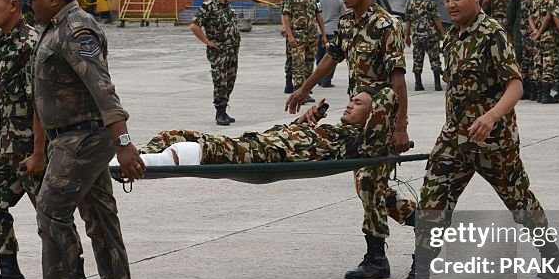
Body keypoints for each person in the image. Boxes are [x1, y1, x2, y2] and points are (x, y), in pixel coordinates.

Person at [379, 0, 559, 279]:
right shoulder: (453, 36)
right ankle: (419, 276)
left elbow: (515, 85)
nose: (450, 5)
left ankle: (553, 258)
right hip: (454, 140)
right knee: (432, 204)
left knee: (520, 203)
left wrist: (493, 116)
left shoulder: (493, 34)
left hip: (494, 143)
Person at [5, 0, 144, 279]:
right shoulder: (53, 27)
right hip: (71, 137)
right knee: (100, 220)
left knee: (51, 211)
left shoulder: (76, 29)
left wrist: (125, 143)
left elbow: (103, 88)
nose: (28, 4)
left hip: (82, 137)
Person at [285, 0, 411, 279]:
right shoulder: (347, 22)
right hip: (358, 116)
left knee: (368, 183)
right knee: (368, 185)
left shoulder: (386, 25)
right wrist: (304, 88)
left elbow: (398, 81)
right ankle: (425, 221)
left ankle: (376, 256)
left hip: (381, 117)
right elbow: (332, 56)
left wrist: (400, 127)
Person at [0, 0, 96, 279]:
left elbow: (40, 103)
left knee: (51, 216)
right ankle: (10, 274)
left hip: (33, 146)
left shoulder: (30, 43)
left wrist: (40, 152)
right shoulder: (6, 41)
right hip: (9, 145)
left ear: (13, 5)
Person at [139, 88, 399, 166]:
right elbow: (288, 135)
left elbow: (388, 96)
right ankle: (135, 158)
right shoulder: (331, 130)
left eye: (358, 104)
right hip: (257, 140)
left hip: (265, 153)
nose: (350, 105)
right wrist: (305, 120)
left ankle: (140, 165)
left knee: (194, 149)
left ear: (373, 114)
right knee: (172, 134)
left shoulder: (361, 141)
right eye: (351, 101)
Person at [190, 0, 240, 126]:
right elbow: (194, 26)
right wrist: (207, 41)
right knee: (220, 82)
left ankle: (224, 110)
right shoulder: (208, 6)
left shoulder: (227, 6)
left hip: (232, 51)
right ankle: (220, 112)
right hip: (219, 52)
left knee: (230, 81)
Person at [282, 0, 325, 101]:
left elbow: (319, 15)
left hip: (312, 36)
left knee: (309, 63)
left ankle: (306, 91)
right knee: (298, 63)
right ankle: (298, 90)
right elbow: (286, 16)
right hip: (298, 35)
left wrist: (323, 34)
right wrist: (290, 36)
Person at [528, 0, 559, 103]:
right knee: (549, 63)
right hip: (549, 35)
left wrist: (535, 31)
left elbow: (530, 16)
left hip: (537, 36)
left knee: (539, 63)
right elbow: (552, 16)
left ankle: (539, 93)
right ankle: (546, 94)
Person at [404, 0, 445, 91]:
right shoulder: (430, 1)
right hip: (431, 36)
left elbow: (408, 20)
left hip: (417, 37)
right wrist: (442, 34)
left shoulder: (411, 2)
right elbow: (436, 19)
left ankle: (418, 84)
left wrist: (407, 36)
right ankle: (437, 84)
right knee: (435, 59)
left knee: (417, 60)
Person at [316, 0, 344, 88]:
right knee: (332, 57)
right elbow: (343, 15)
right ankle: (327, 81)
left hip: (319, 31)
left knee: (319, 56)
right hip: (333, 31)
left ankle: (319, 79)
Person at [281, 0, 302, 93]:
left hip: (293, 31)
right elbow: (285, 13)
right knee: (295, 59)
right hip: (294, 31)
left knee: (291, 58)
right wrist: (286, 29)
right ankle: (291, 84)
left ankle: (290, 83)